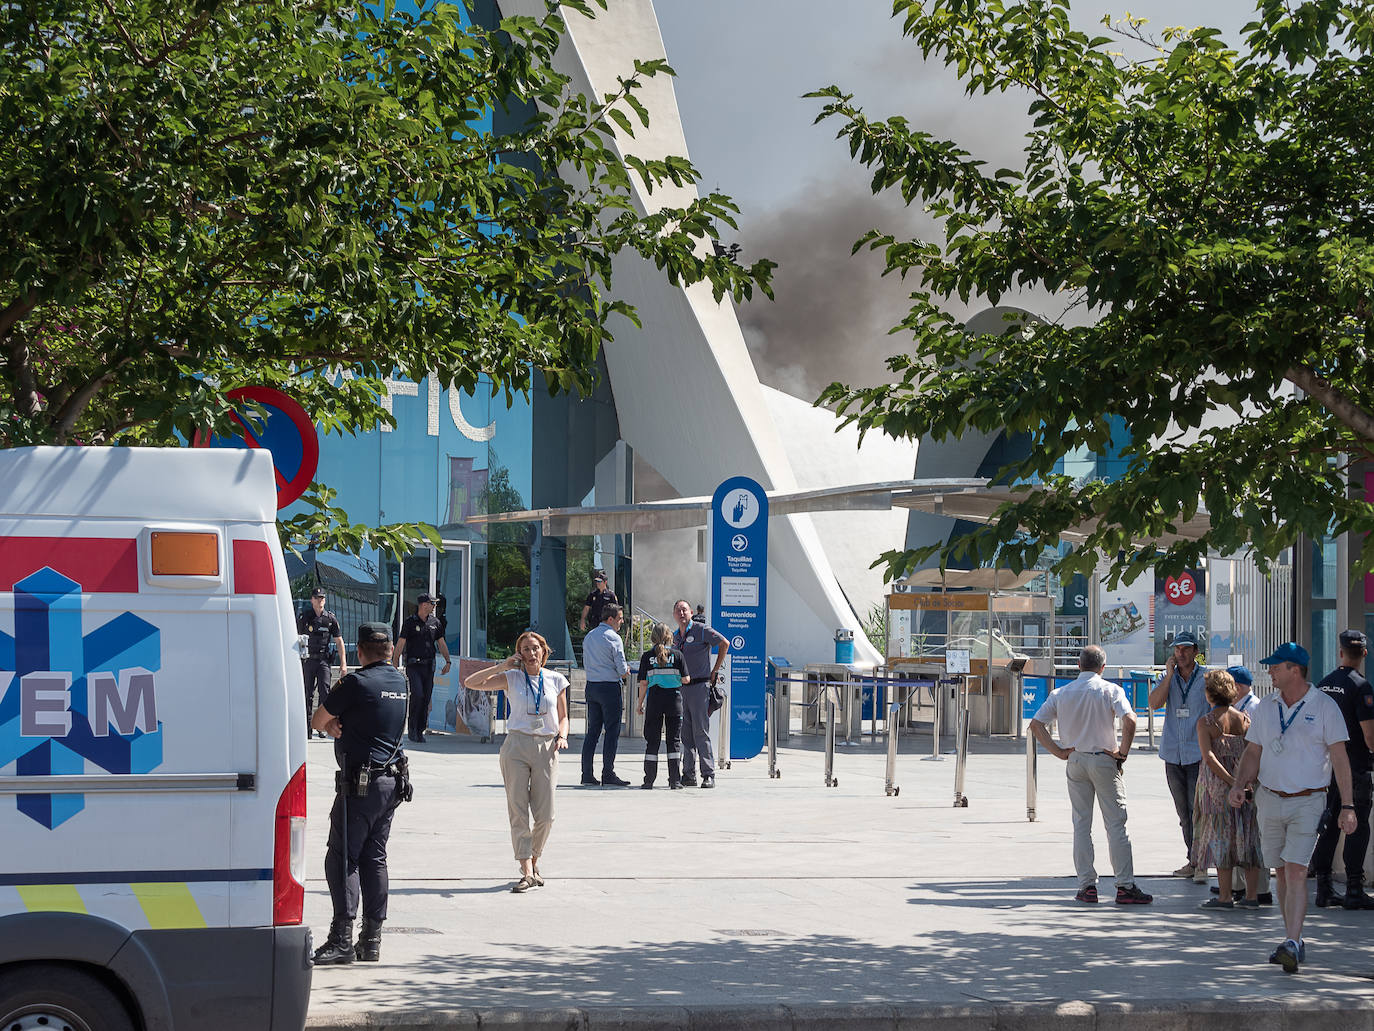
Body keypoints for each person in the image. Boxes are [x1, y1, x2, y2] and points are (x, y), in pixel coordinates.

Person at [1228, 642, 1357, 974]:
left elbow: (1340, 758)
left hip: (1309, 799)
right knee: (1282, 872)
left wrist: (1348, 805)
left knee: (1297, 869)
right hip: (1270, 798)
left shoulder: (1325, 706)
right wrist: (1240, 784)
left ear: (1295, 670)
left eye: (1276, 666)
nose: (1270, 671)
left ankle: (1291, 939)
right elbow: (1253, 752)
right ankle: (1294, 941)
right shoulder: (1267, 707)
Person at [311, 622, 411, 965]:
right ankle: (371, 940)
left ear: (359, 651)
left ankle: (341, 937)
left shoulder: (355, 681)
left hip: (360, 786)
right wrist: (342, 723)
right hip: (391, 784)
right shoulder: (401, 682)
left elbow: (318, 718)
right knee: (374, 857)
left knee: (342, 858)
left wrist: (331, 724)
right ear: (388, 651)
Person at [1029, 644, 1153, 906]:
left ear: (1078, 666)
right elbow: (1129, 720)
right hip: (1104, 759)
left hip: (1075, 759)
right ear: (1103, 667)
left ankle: (1087, 886)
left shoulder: (1061, 693)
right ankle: (1124, 885)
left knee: (1081, 824)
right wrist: (1123, 752)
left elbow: (1036, 724)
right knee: (1116, 824)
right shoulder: (1110, 690)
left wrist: (1058, 751)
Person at [465, 631, 570, 892]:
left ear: (543, 651)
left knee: (546, 815)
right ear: (519, 654)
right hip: (517, 745)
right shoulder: (511, 678)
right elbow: (471, 682)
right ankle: (525, 870)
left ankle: (534, 859)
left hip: (546, 746)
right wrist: (501, 666)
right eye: (525, 649)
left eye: (535, 648)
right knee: (518, 809)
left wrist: (562, 736)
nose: (531, 653)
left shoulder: (556, 679)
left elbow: (564, 716)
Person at [1309, 629, 1374, 909]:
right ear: (1364, 654)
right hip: (1355, 767)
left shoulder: (1323, 685)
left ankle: (1323, 887)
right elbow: (1370, 736)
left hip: (1325, 768)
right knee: (1356, 826)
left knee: (1329, 826)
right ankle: (1354, 889)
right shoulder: (1361, 687)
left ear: (1340, 653)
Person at [1192, 669, 1265, 909]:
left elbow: (1209, 757)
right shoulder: (1244, 720)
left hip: (1216, 787)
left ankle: (1225, 896)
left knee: (1222, 837)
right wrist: (1242, 782)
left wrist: (1229, 781)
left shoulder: (1206, 722)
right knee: (1248, 836)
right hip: (1246, 785)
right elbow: (1253, 753)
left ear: (1209, 694)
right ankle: (1252, 896)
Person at [1148, 629, 1209, 881]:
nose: (1180, 653)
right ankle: (1192, 859)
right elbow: (1154, 703)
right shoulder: (1167, 677)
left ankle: (1201, 862)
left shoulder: (1207, 678)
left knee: (1199, 812)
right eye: (1176, 649)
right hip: (1173, 754)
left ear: (1196, 651)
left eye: (1185, 648)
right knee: (1183, 814)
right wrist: (1169, 676)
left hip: (1197, 754)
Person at [672, 598, 729, 788]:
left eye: (684, 610)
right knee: (685, 735)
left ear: (690, 613)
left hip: (699, 687)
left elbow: (724, 643)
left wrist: (715, 670)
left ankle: (708, 774)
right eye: (678, 610)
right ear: (674, 615)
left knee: (701, 732)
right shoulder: (675, 637)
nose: (681, 614)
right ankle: (688, 774)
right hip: (682, 689)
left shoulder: (701, 630)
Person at [581, 603, 631, 786]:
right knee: (611, 732)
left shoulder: (589, 636)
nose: (621, 622)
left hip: (592, 686)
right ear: (610, 619)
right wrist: (626, 671)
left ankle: (586, 773)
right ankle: (608, 773)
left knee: (592, 732)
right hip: (609, 687)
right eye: (619, 619)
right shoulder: (614, 638)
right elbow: (621, 668)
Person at [636, 622, 688, 789]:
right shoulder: (678, 655)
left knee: (652, 741)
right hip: (674, 701)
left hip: (655, 701)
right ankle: (675, 781)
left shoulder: (646, 657)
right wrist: (674, 679)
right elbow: (686, 679)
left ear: (653, 637)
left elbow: (643, 683)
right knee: (673, 742)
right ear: (669, 637)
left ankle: (649, 780)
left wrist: (639, 703)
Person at [394, 593, 451, 743]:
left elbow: (441, 643)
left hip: (428, 665)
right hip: (413, 665)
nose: (434, 606)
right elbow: (401, 643)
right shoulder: (410, 622)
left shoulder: (435, 622)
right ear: (423, 605)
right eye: (432, 603)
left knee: (425, 698)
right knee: (417, 695)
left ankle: (420, 730)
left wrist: (448, 661)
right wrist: (394, 663)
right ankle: (412, 729)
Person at [298, 587, 347, 738]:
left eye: (322, 598)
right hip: (307, 661)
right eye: (317, 598)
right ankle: (307, 728)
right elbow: (296, 638)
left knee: (325, 694)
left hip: (323, 661)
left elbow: (339, 642)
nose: (320, 600)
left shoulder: (330, 619)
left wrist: (343, 663)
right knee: (307, 694)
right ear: (312, 600)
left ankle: (322, 726)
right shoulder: (305, 617)